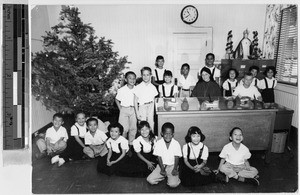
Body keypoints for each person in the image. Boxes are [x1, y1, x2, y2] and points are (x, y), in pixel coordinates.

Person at [147, 122, 182, 188]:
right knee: (150, 180)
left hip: (172, 166)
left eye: (170, 134)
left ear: (173, 134)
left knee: (173, 185)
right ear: (162, 133)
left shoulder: (176, 143)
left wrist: (174, 169)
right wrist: (162, 169)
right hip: (161, 165)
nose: (168, 136)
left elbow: (177, 157)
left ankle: (172, 177)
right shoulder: (159, 143)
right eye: (166, 134)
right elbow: (159, 158)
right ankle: (164, 176)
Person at [115, 71, 137, 145]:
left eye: (134, 78)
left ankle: (131, 144)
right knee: (123, 128)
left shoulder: (137, 89)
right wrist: (121, 109)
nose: (132, 80)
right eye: (130, 78)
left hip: (134, 110)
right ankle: (123, 144)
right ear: (126, 80)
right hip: (124, 109)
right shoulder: (122, 90)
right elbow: (117, 99)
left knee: (133, 128)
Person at [133, 67, 158, 131]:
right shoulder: (138, 87)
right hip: (142, 107)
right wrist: (137, 113)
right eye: (144, 75)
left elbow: (154, 100)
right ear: (141, 75)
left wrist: (156, 111)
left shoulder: (153, 87)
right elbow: (135, 101)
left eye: (147, 75)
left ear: (150, 75)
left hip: (151, 106)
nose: (145, 77)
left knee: (151, 124)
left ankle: (151, 139)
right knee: (142, 124)